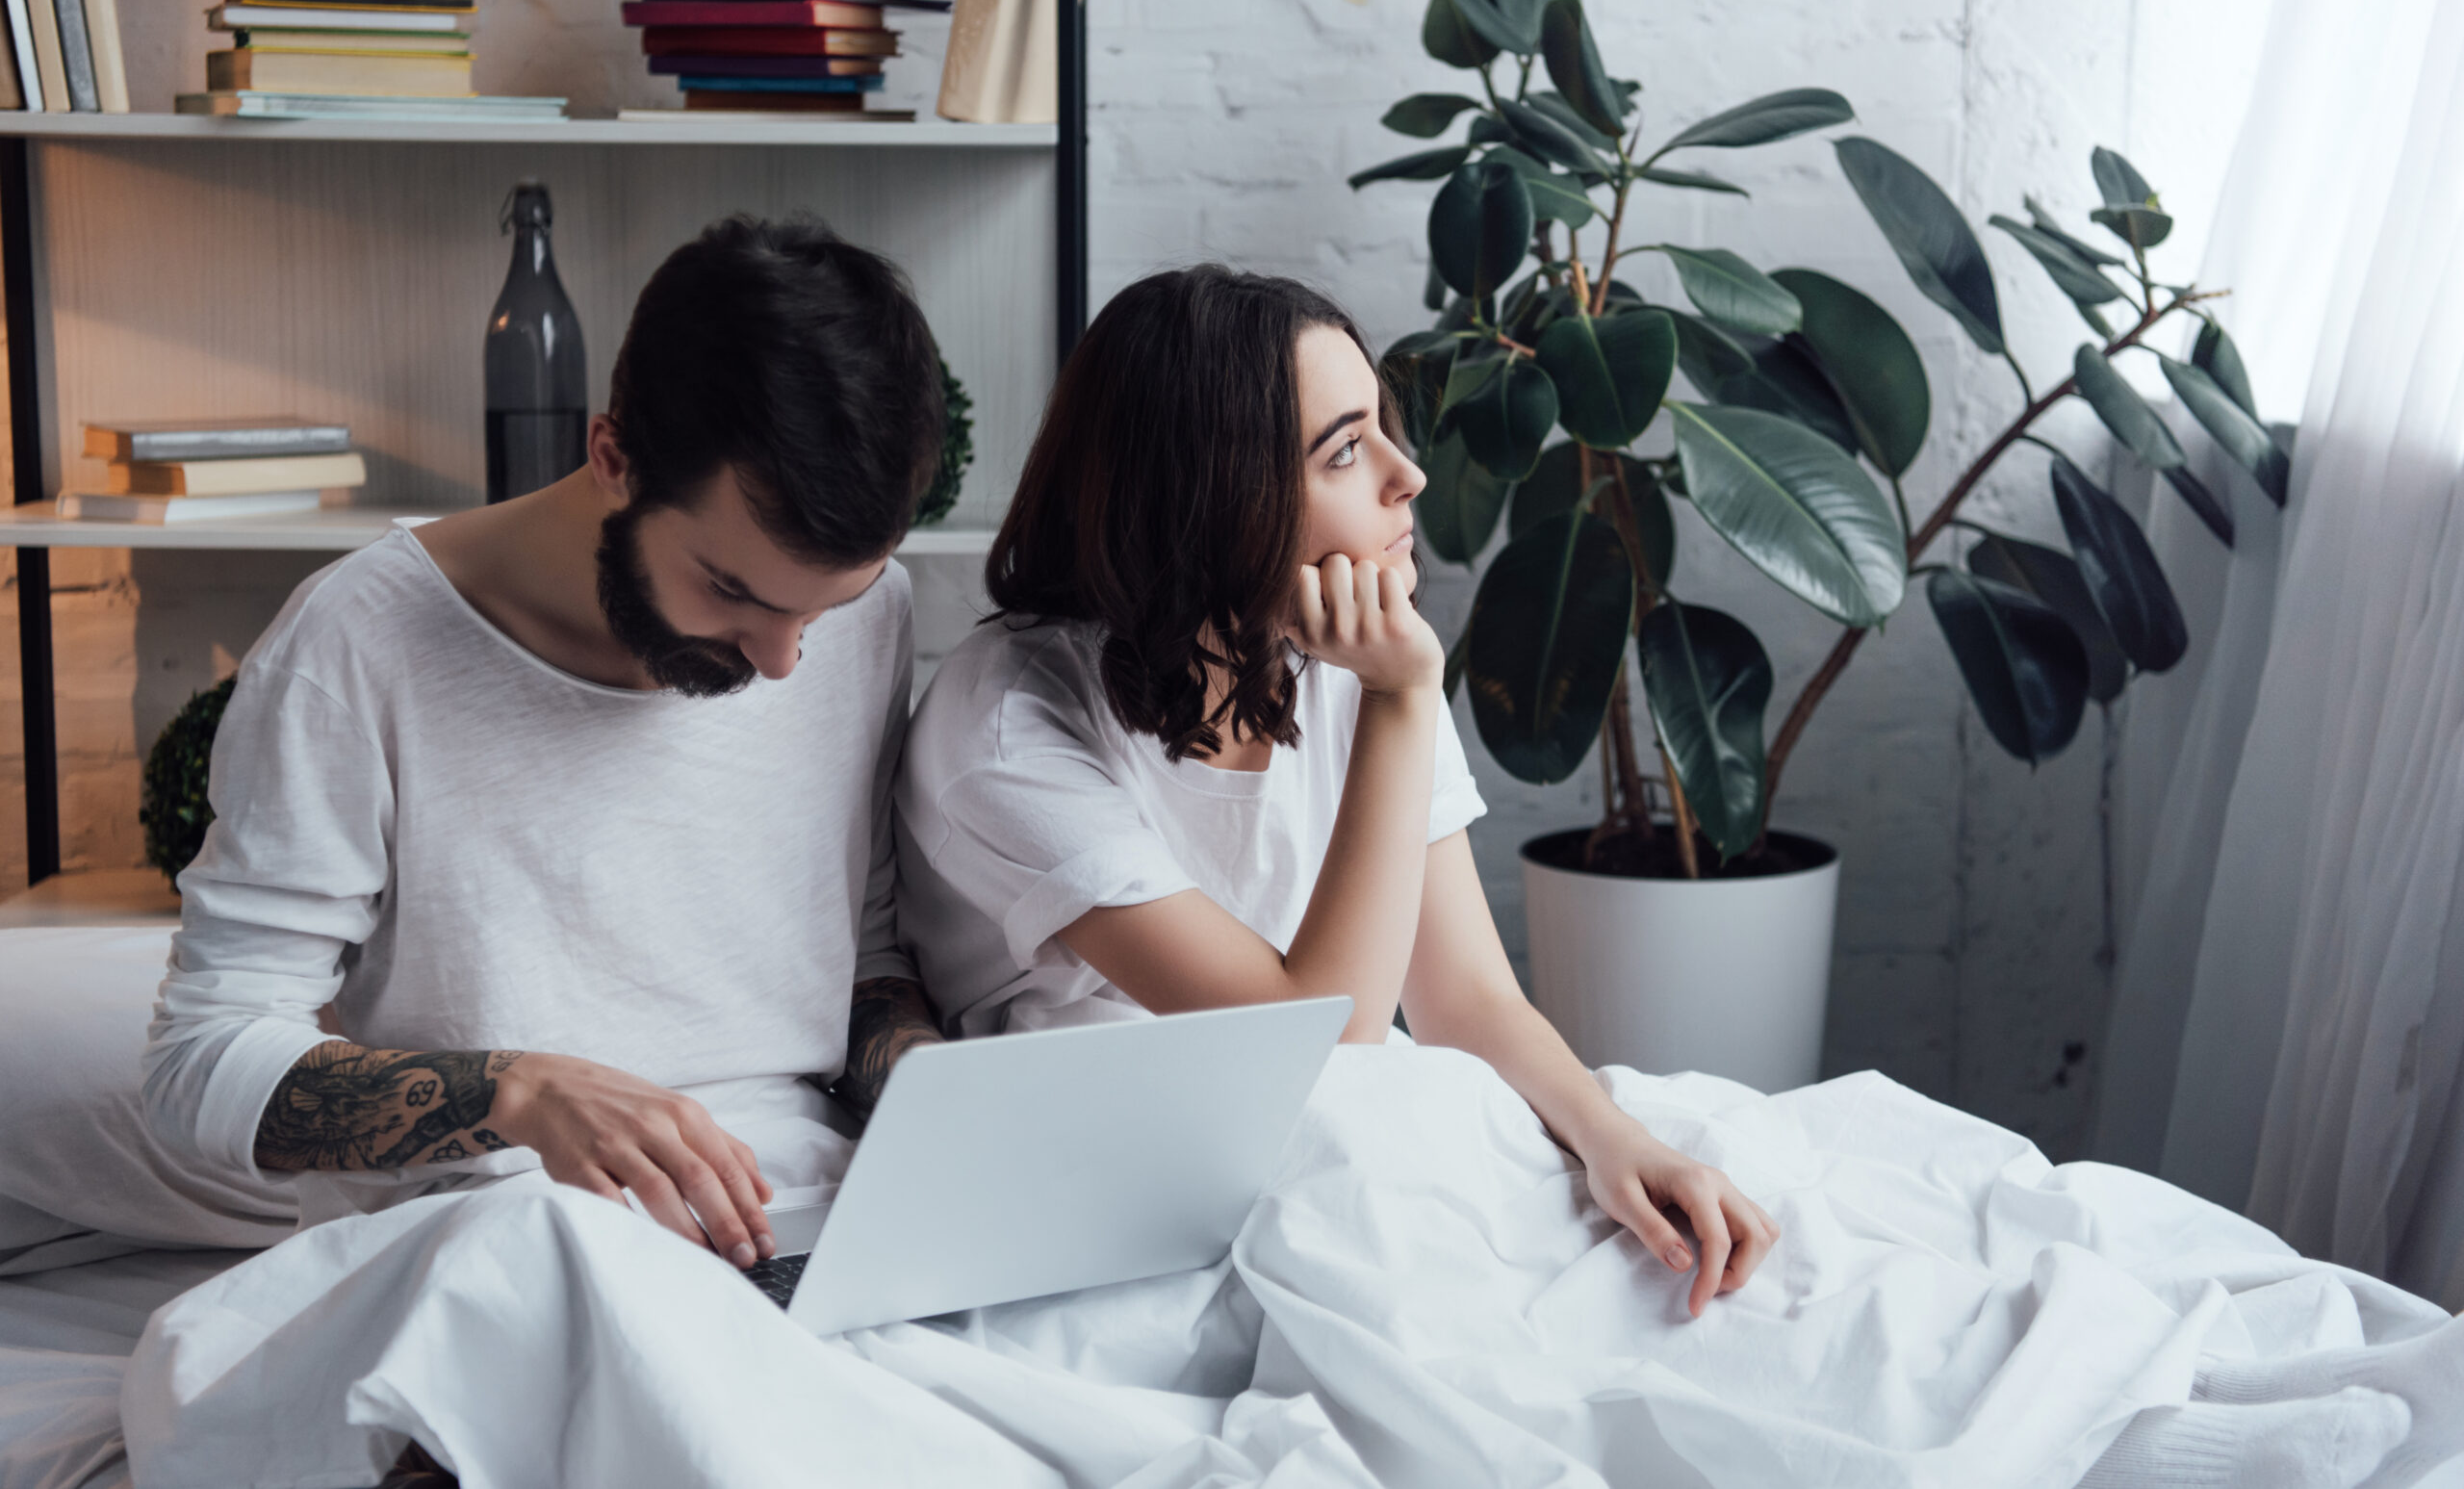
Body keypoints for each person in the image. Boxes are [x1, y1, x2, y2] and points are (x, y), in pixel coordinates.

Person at [134, 216, 949, 1484]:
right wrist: (514, 1091)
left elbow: (867, 951)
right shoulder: (361, 644)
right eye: (733, 594)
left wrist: (931, 1093)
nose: (785, 658)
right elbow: (199, 1066)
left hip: (793, 1228)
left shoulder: (864, 616)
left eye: (822, 608)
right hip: (495, 1238)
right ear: (611, 454)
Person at [895, 266, 1778, 1317]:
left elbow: (1464, 998)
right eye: (1346, 448)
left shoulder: (1345, 656)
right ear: (1215, 493)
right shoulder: (1007, 725)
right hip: (1105, 1180)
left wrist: (1613, 1137)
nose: (1408, 476)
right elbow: (1314, 1045)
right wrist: (1402, 699)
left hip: (1303, 1130)